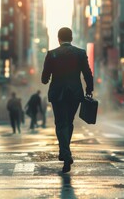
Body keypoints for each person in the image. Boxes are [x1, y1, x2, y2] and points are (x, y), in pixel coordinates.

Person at [41, 27, 94, 173]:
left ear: (58, 39)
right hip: (75, 94)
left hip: (57, 94)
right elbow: (87, 74)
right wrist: (89, 89)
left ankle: (65, 153)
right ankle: (65, 152)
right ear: (71, 38)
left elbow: (44, 79)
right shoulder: (80, 53)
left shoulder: (52, 54)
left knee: (60, 123)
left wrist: (48, 77)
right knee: (68, 122)